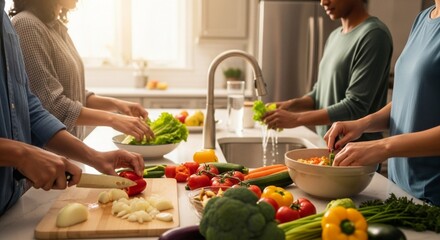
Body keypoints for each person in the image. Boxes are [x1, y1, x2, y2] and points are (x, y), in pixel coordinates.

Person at [0, 0, 144, 216]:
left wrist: (95, 157)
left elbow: (29, 106)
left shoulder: (7, 24)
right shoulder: (26, 25)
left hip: (12, 201)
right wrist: (21, 154)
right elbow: (52, 103)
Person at [324, 1, 440, 206]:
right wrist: (364, 123)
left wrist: (383, 146)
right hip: (400, 191)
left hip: (432, 195)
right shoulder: (423, 19)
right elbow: (411, 99)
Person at [8, 0, 153, 141]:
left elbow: (69, 92)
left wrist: (116, 105)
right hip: (48, 157)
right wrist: (113, 119)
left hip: (68, 152)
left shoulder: (55, 26)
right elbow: (51, 105)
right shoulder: (27, 25)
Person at [262, 0, 393, 143]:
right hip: (327, 146)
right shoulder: (334, 36)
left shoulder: (374, 35)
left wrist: (296, 119)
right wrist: (291, 105)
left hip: (356, 155)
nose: (323, 2)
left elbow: (355, 106)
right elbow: (319, 93)